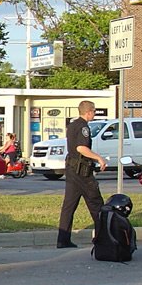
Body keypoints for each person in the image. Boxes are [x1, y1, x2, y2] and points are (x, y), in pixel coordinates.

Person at [56, 100, 107, 248]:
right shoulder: (83, 127)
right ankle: (102, 238)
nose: (94, 114)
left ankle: (63, 239)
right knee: (96, 204)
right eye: (94, 111)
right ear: (89, 112)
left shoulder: (72, 125)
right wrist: (98, 158)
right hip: (83, 172)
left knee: (69, 206)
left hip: (72, 170)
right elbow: (81, 148)